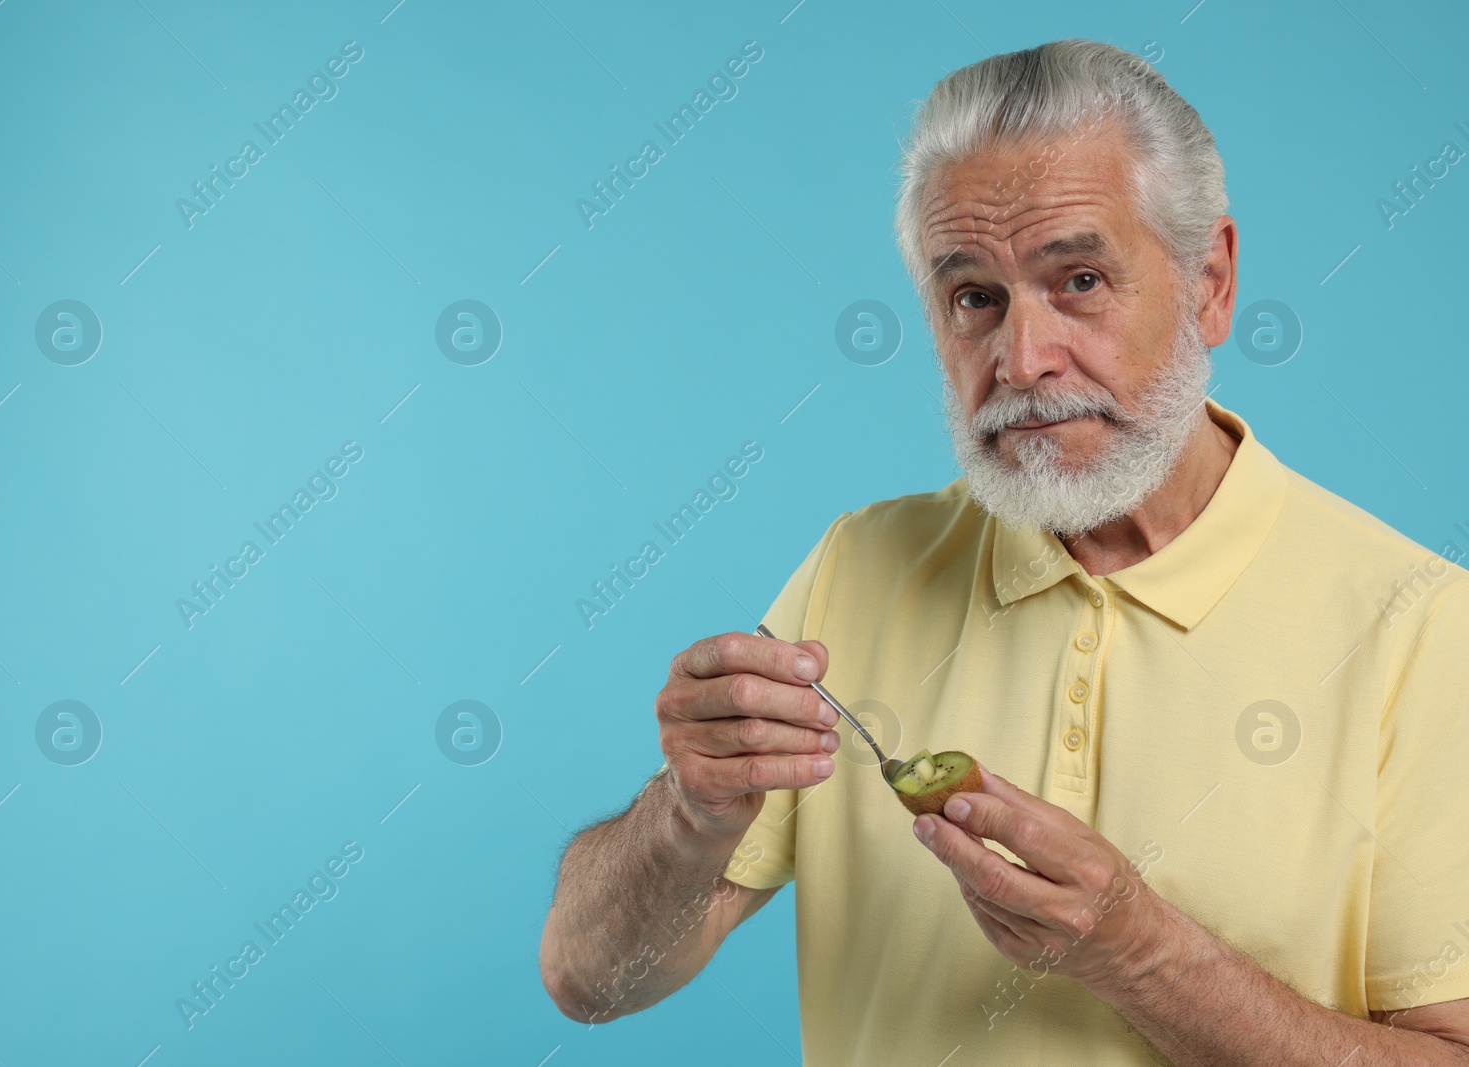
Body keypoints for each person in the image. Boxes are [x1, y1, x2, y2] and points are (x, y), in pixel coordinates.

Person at [538, 37, 1469, 1065]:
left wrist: (1136, 949)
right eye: (975, 296)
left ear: (1208, 282)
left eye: (1077, 279)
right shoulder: (861, 563)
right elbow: (588, 980)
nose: (1022, 360)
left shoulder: (1422, 624)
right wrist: (690, 812)